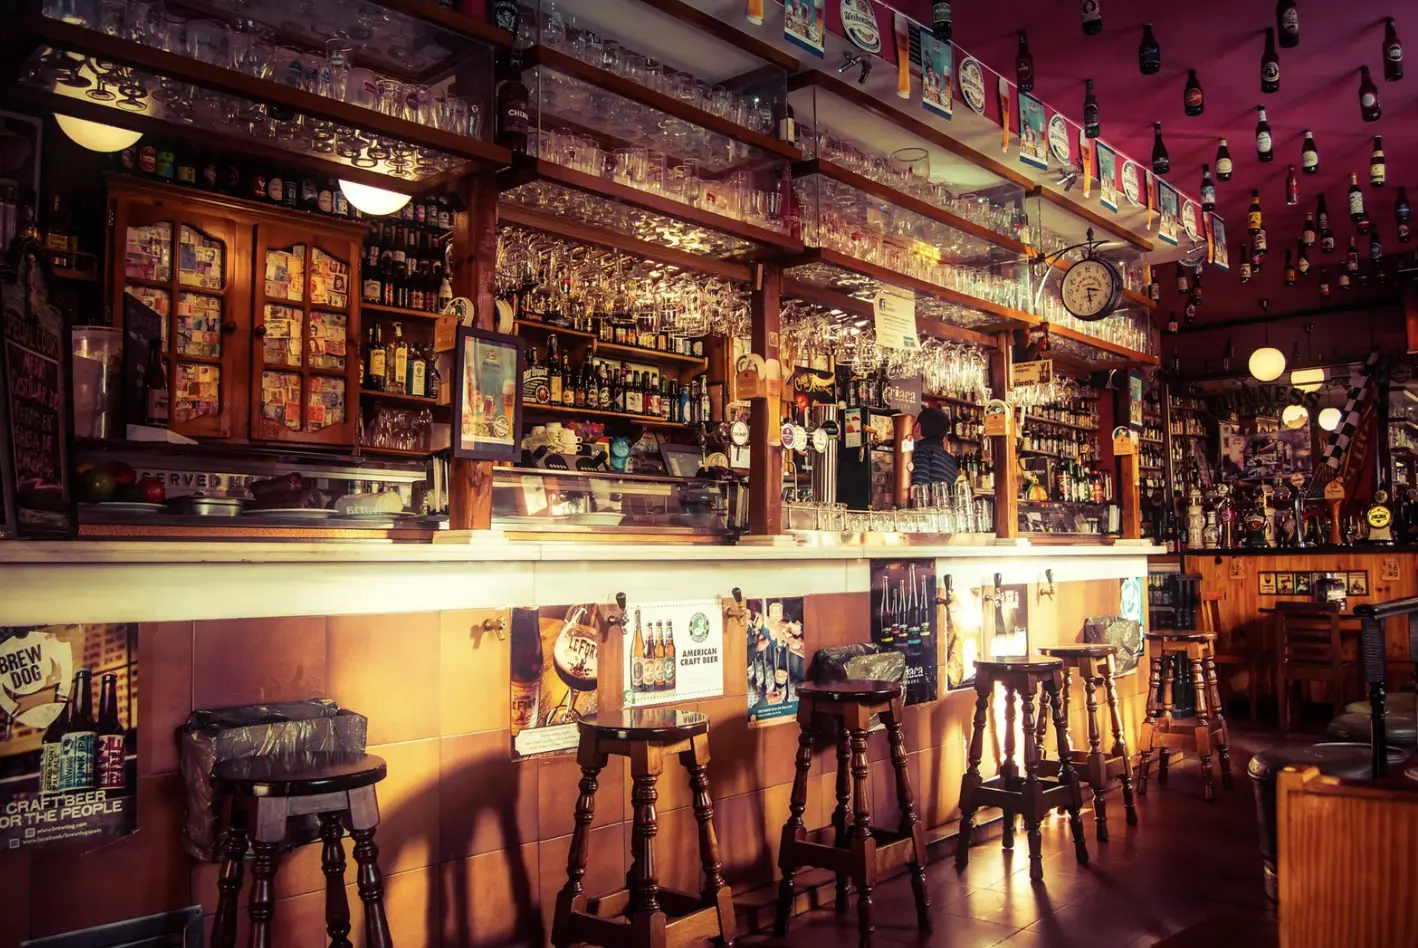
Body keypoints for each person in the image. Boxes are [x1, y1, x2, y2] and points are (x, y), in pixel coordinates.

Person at [911, 406, 959, 492]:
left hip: (930, 501)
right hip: (944, 501)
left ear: (917, 427)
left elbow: (918, 490)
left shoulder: (922, 450)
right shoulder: (951, 460)